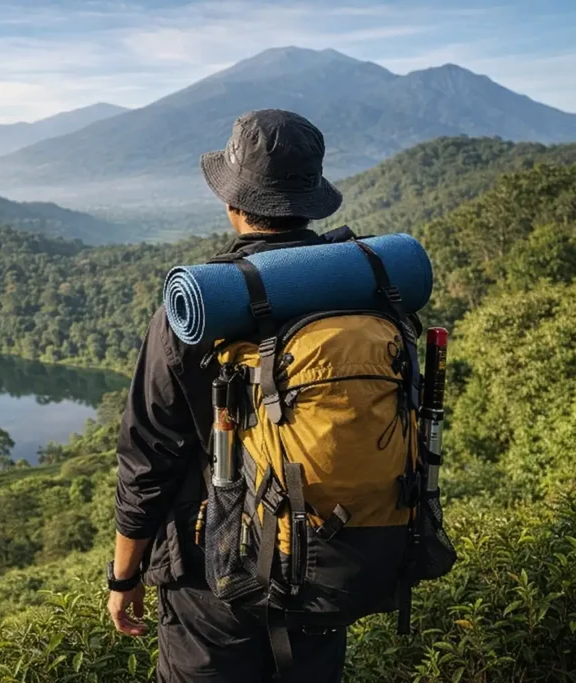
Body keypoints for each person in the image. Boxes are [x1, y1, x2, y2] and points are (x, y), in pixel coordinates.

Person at [107, 109, 348, 683]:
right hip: (327, 553)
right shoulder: (355, 291)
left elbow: (147, 460)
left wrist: (124, 577)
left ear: (233, 204)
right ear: (311, 201)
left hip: (211, 575)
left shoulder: (197, 307)